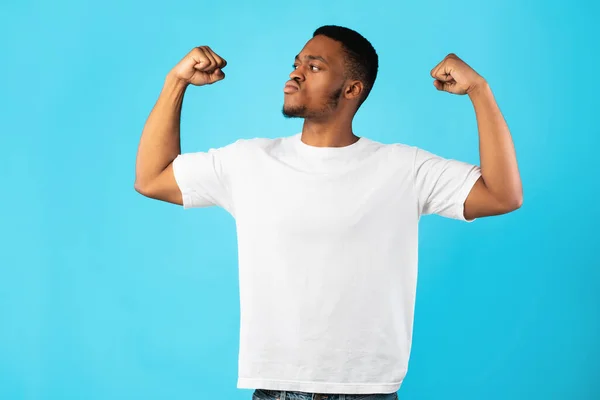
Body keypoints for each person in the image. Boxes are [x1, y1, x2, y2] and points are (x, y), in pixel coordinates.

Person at [134, 25, 523, 400]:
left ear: (353, 89)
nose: (296, 73)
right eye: (297, 63)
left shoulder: (404, 168)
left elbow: (502, 195)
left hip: (370, 393)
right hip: (276, 389)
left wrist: (479, 91)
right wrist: (176, 81)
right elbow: (152, 178)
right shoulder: (248, 161)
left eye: (314, 66)